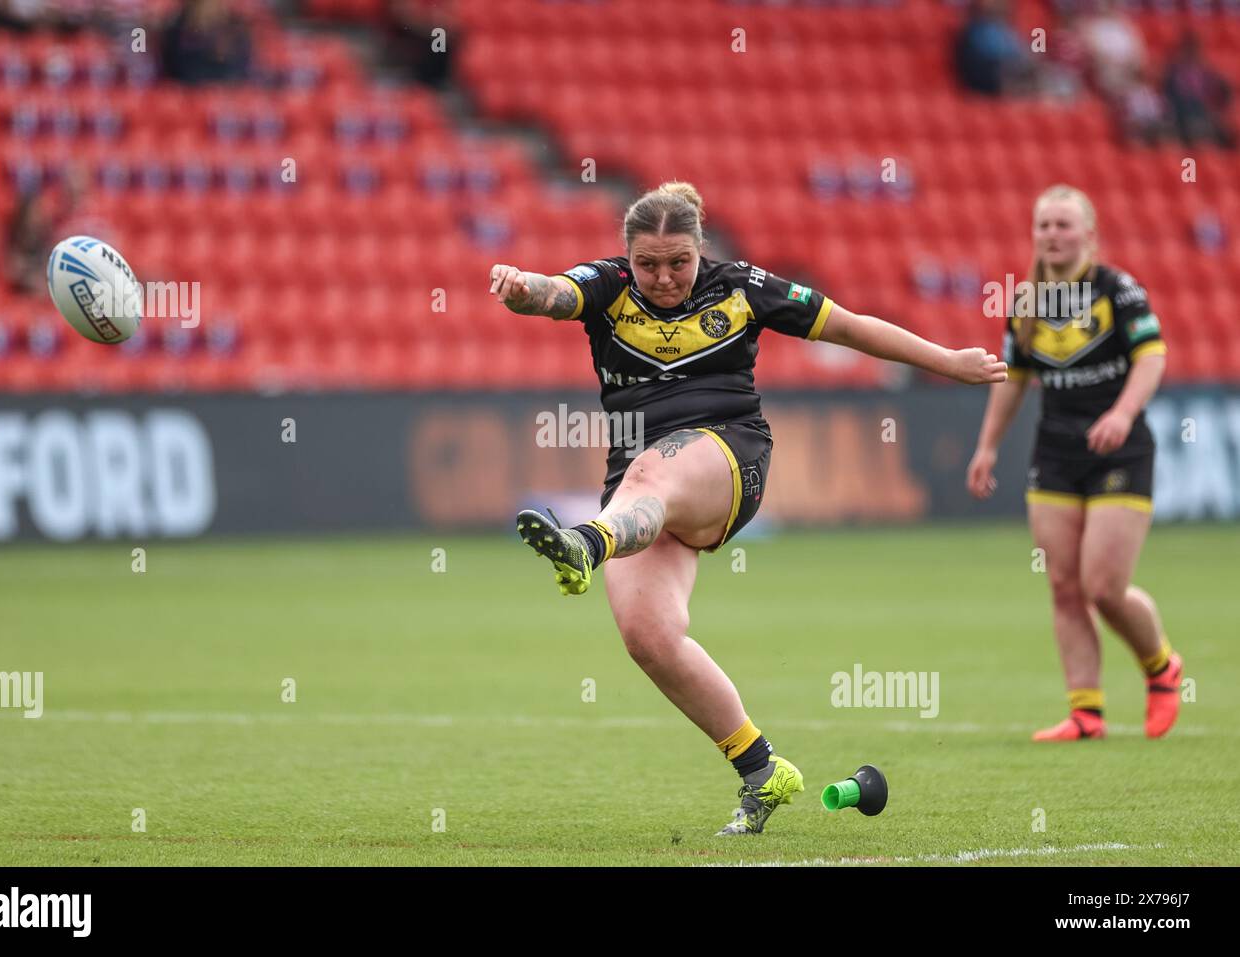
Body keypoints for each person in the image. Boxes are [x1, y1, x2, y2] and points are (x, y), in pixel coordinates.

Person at [489, 181, 1006, 835]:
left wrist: (948, 362)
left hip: (730, 460)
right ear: (628, 255)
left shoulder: (742, 287)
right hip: (641, 489)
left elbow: (850, 325)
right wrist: (520, 287)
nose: (664, 277)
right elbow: (553, 292)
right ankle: (762, 769)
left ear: (700, 249)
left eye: (678, 261)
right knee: (648, 637)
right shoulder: (610, 287)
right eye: (648, 263)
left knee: (652, 471)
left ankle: (586, 544)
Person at [966, 183, 1182, 742]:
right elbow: (1013, 378)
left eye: (1064, 225)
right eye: (1044, 226)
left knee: (1104, 585)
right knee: (1064, 584)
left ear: (1090, 234)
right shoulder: (1026, 303)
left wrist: (1122, 413)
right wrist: (987, 445)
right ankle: (1086, 712)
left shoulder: (1118, 290)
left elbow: (1152, 356)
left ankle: (1161, 668)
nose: (1053, 235)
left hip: (1120, 449)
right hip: (1056, 453)